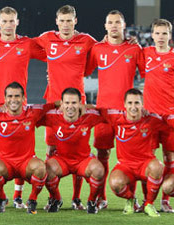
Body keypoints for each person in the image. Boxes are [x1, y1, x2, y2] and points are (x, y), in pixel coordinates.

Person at [0, 6, 46, 209]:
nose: (8, 24)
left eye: (12, 21)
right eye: (4, 21)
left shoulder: (26, 44)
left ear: (17, 22)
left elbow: (52, 54)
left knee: (21, 150)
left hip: (19, 104)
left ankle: (17, 196)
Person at [35, 4, 97, 210]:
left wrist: (127, 39)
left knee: (77, 150)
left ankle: (77, 198)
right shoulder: (47, 38)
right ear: (56, 21)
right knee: (52, 149)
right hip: (53, 101)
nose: (65, 24)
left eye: (69, 20)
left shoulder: (86, 40)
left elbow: (104, 48)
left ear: (75, 21)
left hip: (76, 103)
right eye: (62, 20)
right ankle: (55, 197)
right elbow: (25, 45)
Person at [85, 10, 145, 209]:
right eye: (110, 22)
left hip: (128, 113)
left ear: (124, 25)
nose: (113, 26)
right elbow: (82, 71)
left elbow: (148, 74)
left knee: (131, 158)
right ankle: (101, 198)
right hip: (103, 112)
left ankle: (132, 199)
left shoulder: (134, 49)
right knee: (102, 155)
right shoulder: (97, 48)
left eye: (117, 22)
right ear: (105, 26)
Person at [143, 18, 174, 212]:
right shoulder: (145, 53)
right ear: (152, 34)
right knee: (148, 160)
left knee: (170, 159)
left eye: (164, 33)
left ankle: (165, 200)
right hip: (150, 117)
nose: (161, 37)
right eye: (157, 33)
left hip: (171, 117)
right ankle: (148, 200)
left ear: (169, 35)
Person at [0, 82, 56, 214]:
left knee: (41, 168)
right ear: (5, 99)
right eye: (10, 96)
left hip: (26, 162)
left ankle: (32, 199)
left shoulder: (33, 111)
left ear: (24, 98)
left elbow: (55, 104)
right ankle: (1, 198)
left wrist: (79, 106)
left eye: (17, 96)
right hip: (5, 163)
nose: (13, 100)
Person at [37, 88, 105, 214]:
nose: (70, 106)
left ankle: (91, 201)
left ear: (80, 104)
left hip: (83, 160)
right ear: (61, 104)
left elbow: (109, 114)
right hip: (62, 160)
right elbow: (33, 115)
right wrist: (52, 104)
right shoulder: (53, 116)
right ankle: (56, 199)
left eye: (74, 103)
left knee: (99, 170)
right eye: (67, 103)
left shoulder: (89, 116)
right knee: (45, 170)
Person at [106, 88, 165, 217]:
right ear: (124, 105)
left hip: (145, 164)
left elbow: (171, 121)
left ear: (142, 104)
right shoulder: (115, 118)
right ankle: (131, 199)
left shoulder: (151, 119)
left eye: (137, 103)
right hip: (125, 166)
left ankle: (149, 204)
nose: (133, 106)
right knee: (115, 183)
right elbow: (96, 110)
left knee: (158, 167)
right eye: (130, 103)